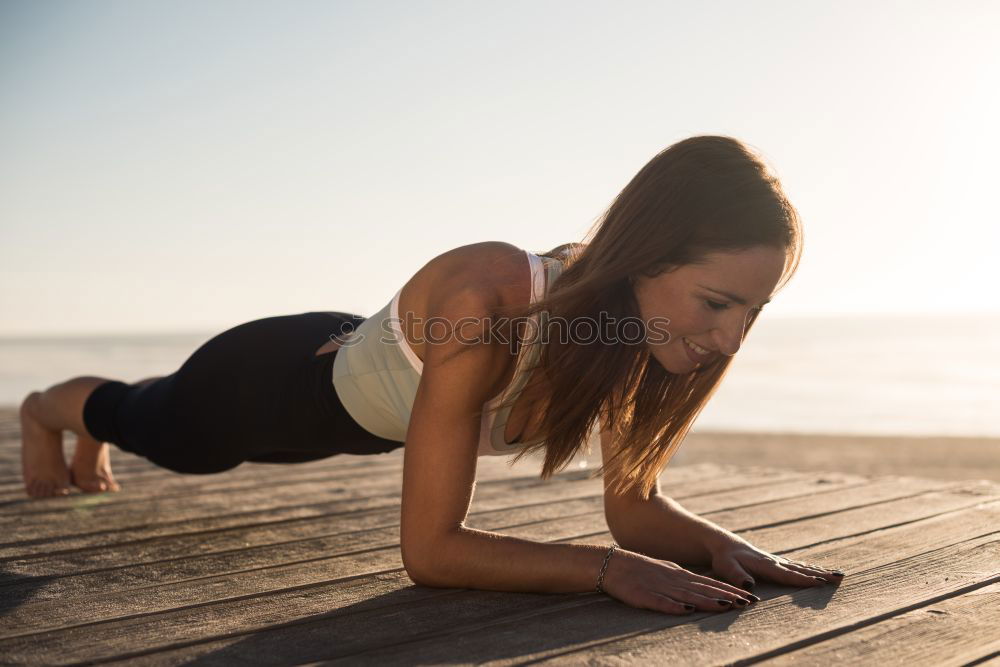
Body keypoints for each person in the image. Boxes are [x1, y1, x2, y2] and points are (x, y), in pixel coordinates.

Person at [18, 135, 843, 616]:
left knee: (158, 426)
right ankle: (50, 409)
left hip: (355, 414)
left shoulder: (649, 343)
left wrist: (723, 545)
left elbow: (634, 509)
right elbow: (432, 551)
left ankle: (87, 423)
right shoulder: (488, 296)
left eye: (753, 312)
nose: (731, 340)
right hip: (267, 385)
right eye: (718, 302)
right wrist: (602, 569)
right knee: (159, 427)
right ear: (649, 257)